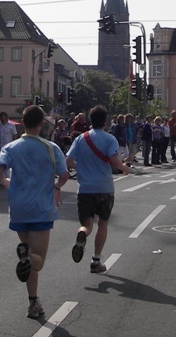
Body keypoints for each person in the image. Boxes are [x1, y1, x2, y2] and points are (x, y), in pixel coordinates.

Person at [0, 105, 69, 320]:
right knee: (38, 260)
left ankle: (33, 302)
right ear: (40, 125)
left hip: (18, 208)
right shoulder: (51, 147)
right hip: (41, 208)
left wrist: (10, 186)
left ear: (23, 123)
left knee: (29, 261)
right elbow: (63, 175)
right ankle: (26, 258)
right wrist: (56, 189)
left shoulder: (11, 147)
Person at [66, 105, 130, 274]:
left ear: (90, 120)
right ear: (105, 121)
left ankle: (82, 233)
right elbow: (115, 162)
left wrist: (81, 167)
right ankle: (96, 260)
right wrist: (126, 168)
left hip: (85, 188)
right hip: (104, 188)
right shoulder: (110, 139)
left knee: (87, 223)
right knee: (102, 223)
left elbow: (68, 161)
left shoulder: (81, 139)